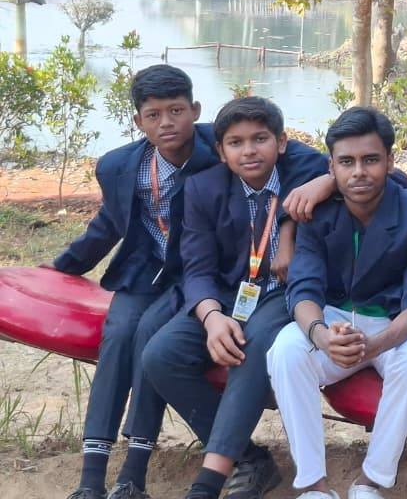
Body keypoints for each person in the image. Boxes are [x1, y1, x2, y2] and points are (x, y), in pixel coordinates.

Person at [139, 97, 329, 499]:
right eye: (236, 142)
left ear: (281, 142)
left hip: (286, 294)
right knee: (160, 355)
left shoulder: (306, 170)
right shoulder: (204, 188)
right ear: (221, 152)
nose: (249, 151)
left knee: (253, 345)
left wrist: (323, 185)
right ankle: (249, 457)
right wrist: (211, 317)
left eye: (260, 139)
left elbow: (388, 179)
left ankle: (208, 482)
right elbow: (197, 267)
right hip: (229, 295)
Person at [52, 65, 221, 499]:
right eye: (153, 115)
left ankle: (133, 474)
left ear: (195, 110)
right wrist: (62, 268)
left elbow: (290, 155)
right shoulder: (120, 166)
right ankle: (91, 479)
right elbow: (109, 223)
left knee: (149, 336)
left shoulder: (221, 149)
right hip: (144, 272)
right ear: (138, 121)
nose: (167, 123)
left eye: (176, 111)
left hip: (199, 275)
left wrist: (322, 180)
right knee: (119, 332)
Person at [267, 107, 407, 499]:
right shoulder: (318, 212)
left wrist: (374, 345)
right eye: (346, 162)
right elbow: (304, 288)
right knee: (286, 350)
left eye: (370, 160)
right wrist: (321, 335)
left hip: (392, 326)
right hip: (332, 319)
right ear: (331, 168)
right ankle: (313, 483)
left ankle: (371, 480)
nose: (359, 172)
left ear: (390, 161)